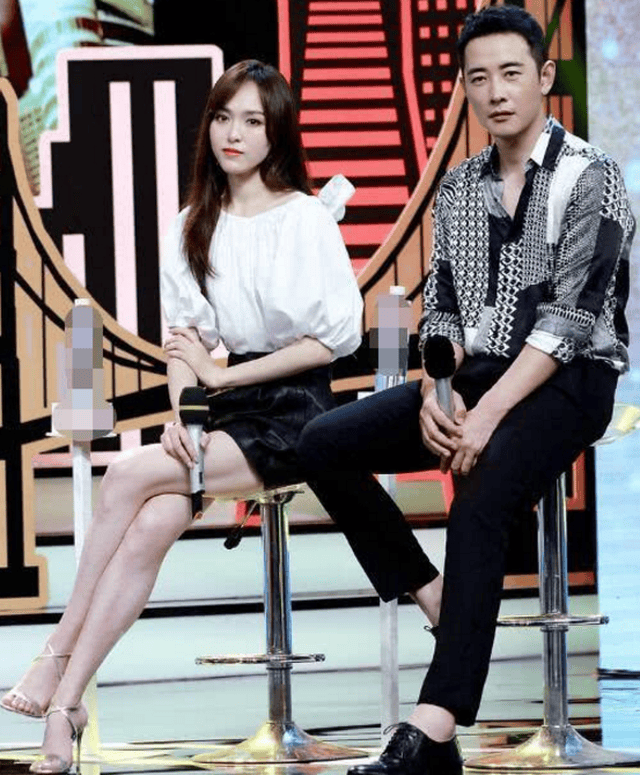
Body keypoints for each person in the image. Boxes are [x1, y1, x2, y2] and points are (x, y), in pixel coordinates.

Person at [296, 6, 635, 774]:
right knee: (322, 441)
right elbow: (444, 308)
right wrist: (435, 390)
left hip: (571, 377)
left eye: (511, 73)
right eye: (478, 78)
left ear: (544, 76)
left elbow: (568, 322)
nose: (496, 92)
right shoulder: (457, 188)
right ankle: (436, 596)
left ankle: (435, 727)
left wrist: (483, 417)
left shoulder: (593, 176)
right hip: (477, 375)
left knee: (479, 486)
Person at [1, 60, 362, 773]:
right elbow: (182, 345)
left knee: (127, 476)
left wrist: (220, 376)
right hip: (227, 407)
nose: (235, 133)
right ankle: (67, 706)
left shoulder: (306, 218)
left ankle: (54, 653)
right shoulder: (191, 225)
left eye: (253, 120)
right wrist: (185, 415)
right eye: (224, 117)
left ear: (277, 133)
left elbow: (329, 342)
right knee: (154, 519)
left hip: (298, 407)